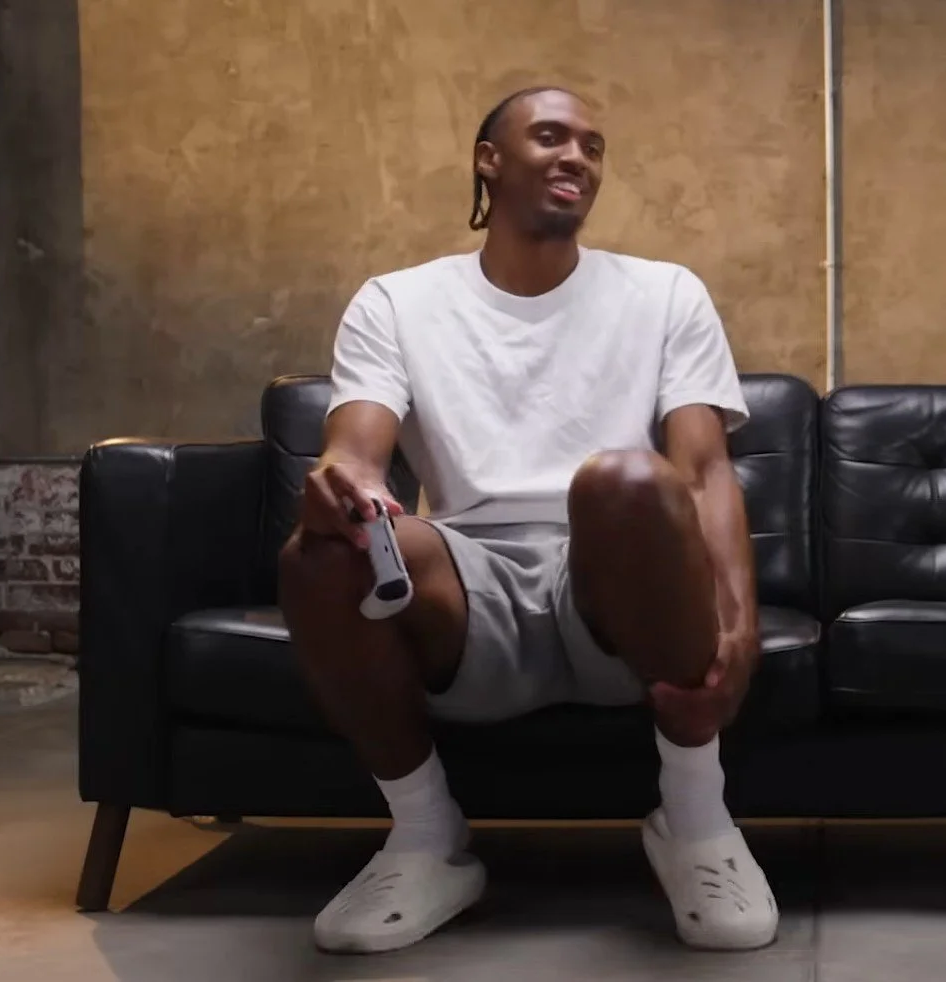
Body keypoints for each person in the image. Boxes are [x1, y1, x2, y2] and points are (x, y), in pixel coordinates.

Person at [277, 86, 777, 955]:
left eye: (592, 145)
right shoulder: (397, 301)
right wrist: (339, 484)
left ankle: (696, 822)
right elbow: (356, 448)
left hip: (614, 584)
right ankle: (427, 838)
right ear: (489, 160)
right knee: (318, 556)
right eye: (550, 136)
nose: (577, 157)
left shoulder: (665, 294)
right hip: (470, 591)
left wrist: (740, 625)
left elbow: (702, 472)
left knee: (624, 479)